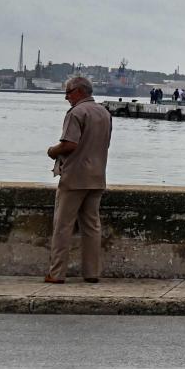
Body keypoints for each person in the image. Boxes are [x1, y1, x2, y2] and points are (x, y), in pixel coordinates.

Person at [45, 76, 113, 284]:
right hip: (97, 176)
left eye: (68, 92)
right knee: (92, 226)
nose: (66, 97)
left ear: (80, 91)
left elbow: (69, 144)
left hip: (74, 178)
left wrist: (51, 151)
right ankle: (92, 273)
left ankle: (57, 273)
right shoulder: (104, 113)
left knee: (62, 225)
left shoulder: (76, 113)